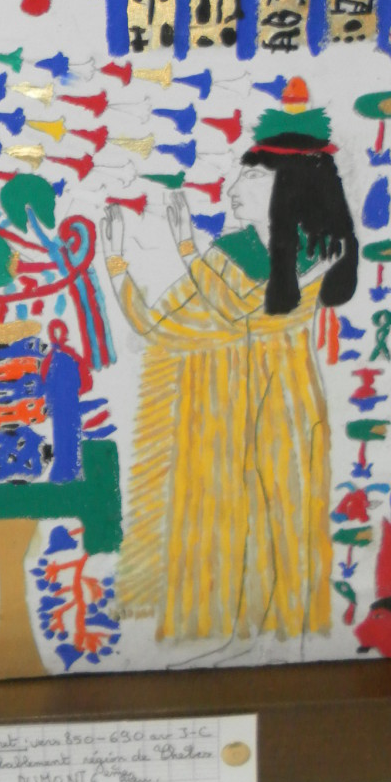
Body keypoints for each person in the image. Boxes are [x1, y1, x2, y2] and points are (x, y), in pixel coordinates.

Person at [99, 78, 357, 645]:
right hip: (277, 403)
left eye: (254, 177)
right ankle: (264, 633)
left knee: (253, 515)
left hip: (240, 407)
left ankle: (255, 635)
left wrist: (124, 261)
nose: (234, 188)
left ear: (291, 188)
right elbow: (239, 314)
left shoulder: (254, 255)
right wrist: (183, 250)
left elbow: (169, 325)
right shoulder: (317, 251)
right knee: (269, 516)